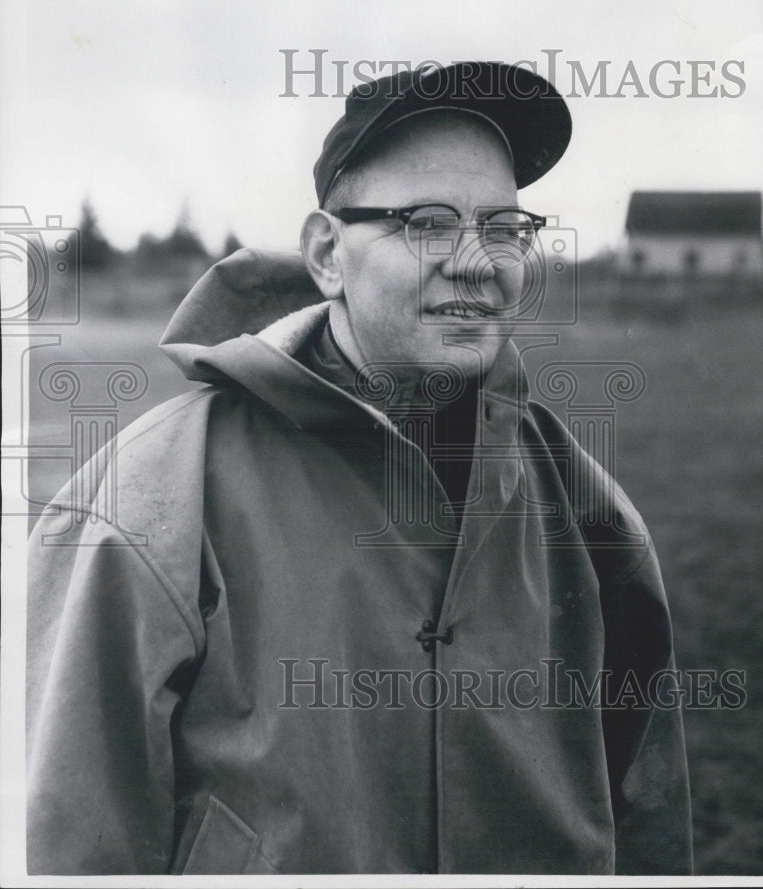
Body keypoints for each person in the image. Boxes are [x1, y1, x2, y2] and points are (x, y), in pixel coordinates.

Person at [27, 62, 692, 875]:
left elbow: (648, 816)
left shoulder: (586, 508)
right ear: (326, 253)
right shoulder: (144, 504)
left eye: (504, 227)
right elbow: (70, 842)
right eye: (426, 223)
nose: (478, 262)